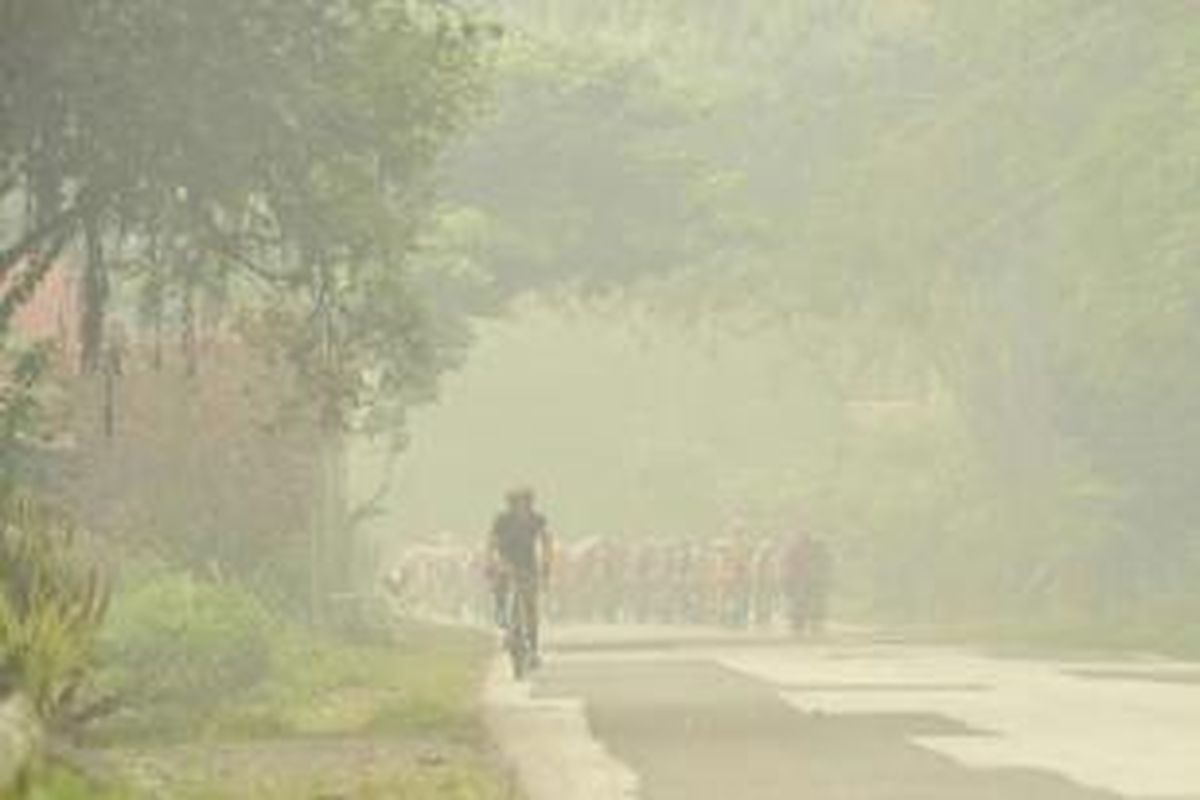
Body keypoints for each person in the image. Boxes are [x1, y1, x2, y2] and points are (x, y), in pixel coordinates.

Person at [487, 487, 553, 666]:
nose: (521, 507)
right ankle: (503, 622)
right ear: (510, 504)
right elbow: (492, 541)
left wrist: (546, 564)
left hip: (528, 565)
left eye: (524, 503)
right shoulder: (502, 520)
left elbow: (546, 540)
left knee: (531, 606)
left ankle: (533, 648)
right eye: (516, 503)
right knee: (500, 592)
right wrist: (491, 562)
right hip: (506, 563)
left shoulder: (537, 519)